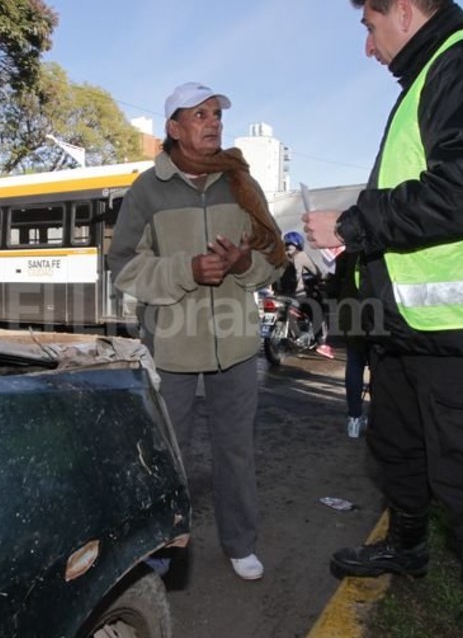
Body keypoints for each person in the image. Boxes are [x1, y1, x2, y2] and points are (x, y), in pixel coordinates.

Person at [303, 0, 463, 635]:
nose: (368, 47)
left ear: (404, 10)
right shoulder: (432, 77)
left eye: (370, 27)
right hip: (411, 329)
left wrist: (353, 222)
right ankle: (408, 544)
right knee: (399, 449)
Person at [107, 82, 285, 582]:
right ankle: (162, 551)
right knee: (168, 456)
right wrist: (186, 270)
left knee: (237, 452)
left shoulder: (241, 183)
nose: (213, 123)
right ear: (174, 128)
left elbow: (273, 259)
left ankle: (241, 544)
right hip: (171, 346)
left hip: (236, 343)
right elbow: (123, 266)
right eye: (200, 115)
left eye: (216, 114)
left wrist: (245, 265)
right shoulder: (147, 190)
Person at [329, 248, 370, 438]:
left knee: (354, 363)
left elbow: (334, 286)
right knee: (380, 367)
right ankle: (377, 417)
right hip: (379, 313)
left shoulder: (348, 253)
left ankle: (354, 419)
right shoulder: (383, 242)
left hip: (351, 313)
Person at [278, 231, 334, 358]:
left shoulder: (279, 256)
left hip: (279, 295)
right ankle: (321, 343)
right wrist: (325, 277)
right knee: (318, 309)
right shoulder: (300, 255)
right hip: (298, 295)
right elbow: (316, 272)